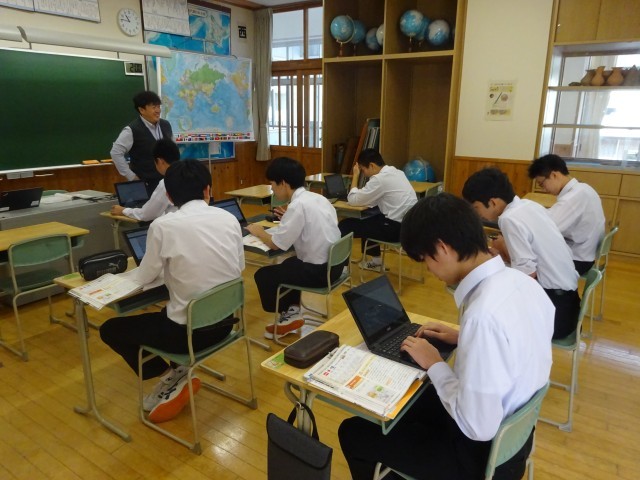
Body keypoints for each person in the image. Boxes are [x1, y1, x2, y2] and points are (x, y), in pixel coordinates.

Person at [338, 193, 554, 480]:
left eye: (426, 260)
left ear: (442, 248)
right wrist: (462, 337)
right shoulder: (522, 283)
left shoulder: (483, 316)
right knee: (409, 399)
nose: (429, 269)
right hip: (514, 443)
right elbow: (516, 345)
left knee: (353, 432)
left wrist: (435, 364)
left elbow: (477, 427)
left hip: (478, 457)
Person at [99, 160, 244, 423]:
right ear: (208, 190)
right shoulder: (229, 218)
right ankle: (178, 373)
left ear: (168, 196)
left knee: (111, 329)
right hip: (226, 324)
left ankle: (170, 377)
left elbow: (144, 277)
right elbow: (240, 266)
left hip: (186, 337)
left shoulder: (163, 225)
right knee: (166, 314)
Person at [462, 167, 580, 339]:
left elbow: (527, 275)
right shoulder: (529, 205)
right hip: (569, 303)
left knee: (486, 310)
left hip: (555, 313)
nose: (477, 214)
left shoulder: (509, 219)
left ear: (493, 203)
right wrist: (504, 255)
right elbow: (532, 260)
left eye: (476, 208)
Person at [246, 157, 342, 339]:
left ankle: (286, 315)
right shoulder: (317, 198)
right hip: (335, 266)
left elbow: (276, 244)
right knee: (290, 263)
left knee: (264, 275)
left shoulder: (298, 205)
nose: (272, 189)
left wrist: (259, 231)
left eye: (272, 184)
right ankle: (292, 310)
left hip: (320, 273)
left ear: (283, 183)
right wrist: (289, 219)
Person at [339, 149, 417, 270]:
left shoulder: (379, 179)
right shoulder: (397, 172)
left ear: (372, 165)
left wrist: (355, 176)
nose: (364, 174)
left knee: (345, 225)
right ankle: (376, 262)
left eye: (363, 170)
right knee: (369, 219)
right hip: (409, 227)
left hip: (395, 230)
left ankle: (341, 270)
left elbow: (353, 200)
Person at [528, 154, 605, 275]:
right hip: (584, 254)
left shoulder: (573, 197)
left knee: (527, 260)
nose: (543, 189)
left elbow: (546, 229)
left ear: (554, 175)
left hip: (577, 260)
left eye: (542, 184)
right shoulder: (583, 188)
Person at [110, 90, 173, 195]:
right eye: (154, 107)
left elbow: (172, 149)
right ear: (141, 110)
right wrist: (132, 177)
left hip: (167, 181)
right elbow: (115, 153)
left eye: (158, 106)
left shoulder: (166, 125)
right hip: (146, 184)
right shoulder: (131, 130)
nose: (158, 110)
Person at [110, 138, 179, 222]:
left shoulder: (166, 182)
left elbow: (147, 214)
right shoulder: (189, 175)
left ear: (160, 161)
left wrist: (123, 210)